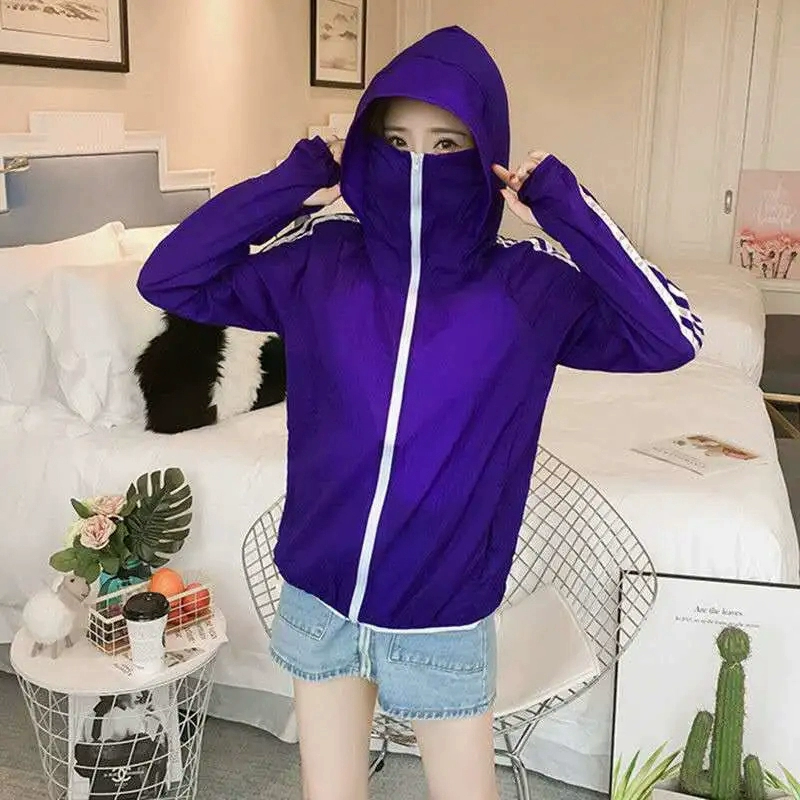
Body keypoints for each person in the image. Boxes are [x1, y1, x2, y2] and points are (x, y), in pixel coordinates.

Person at [137, 25, 703, 800]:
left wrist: (563, 206)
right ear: (367, 145)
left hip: (442, 614)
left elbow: (671, 336)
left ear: (485, 154)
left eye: (445, 144)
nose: (416, 163)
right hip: (318, 599)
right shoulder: (320, 259)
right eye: (396, 140)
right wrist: (295, 178)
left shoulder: (528, 286)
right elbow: (171, 278)